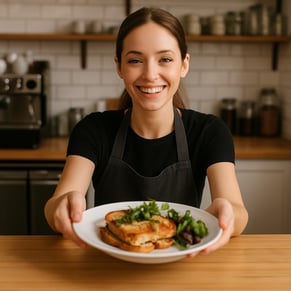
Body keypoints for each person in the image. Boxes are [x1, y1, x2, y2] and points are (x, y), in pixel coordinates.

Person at [44, 7, 248, 255]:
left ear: (184, 65)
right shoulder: (93, 129)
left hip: (180, 266)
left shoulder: (210, 131)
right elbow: (57, 202)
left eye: (165, 59)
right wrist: (62, 208)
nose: (151, 75)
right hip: (105, 265)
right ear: (119, 66)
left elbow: (237, 210)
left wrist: (227, 216)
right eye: (135, 60)